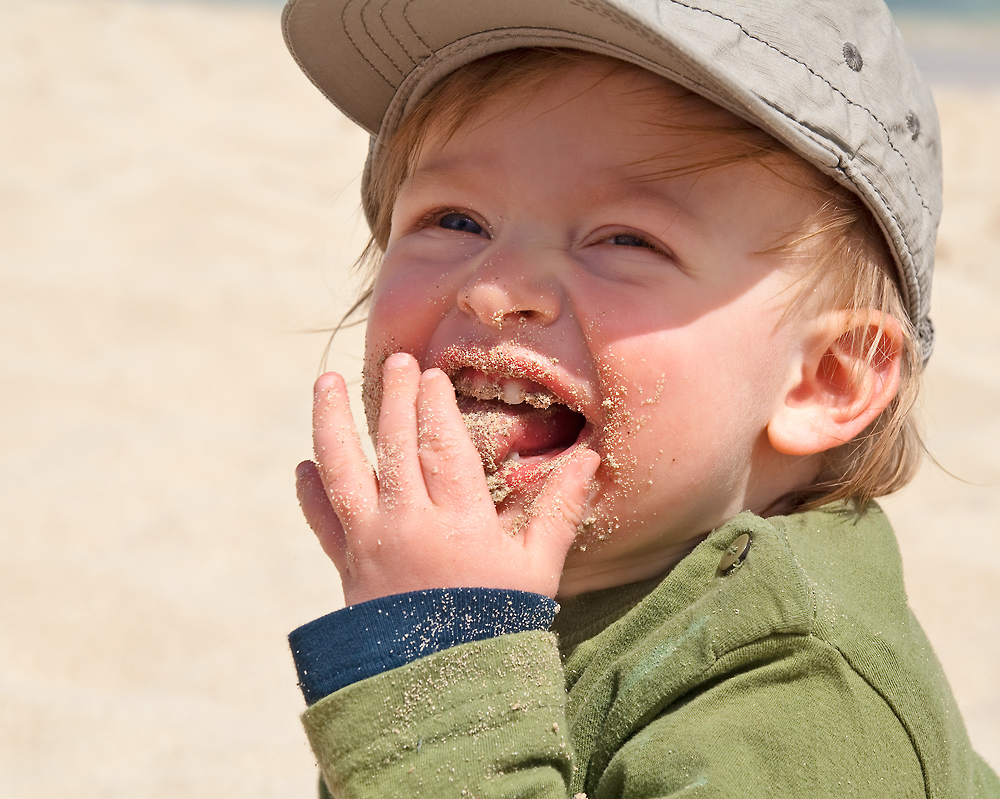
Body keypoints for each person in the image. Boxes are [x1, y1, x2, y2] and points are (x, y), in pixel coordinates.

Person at [282, 0, 1000, 795]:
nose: (496, 287)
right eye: (455, 219)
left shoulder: (798, 699)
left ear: (823, 380)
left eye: (626, 239)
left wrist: (442, 676)